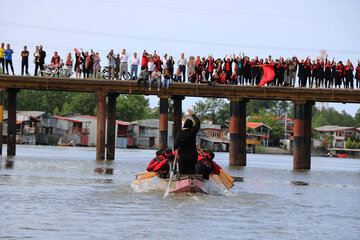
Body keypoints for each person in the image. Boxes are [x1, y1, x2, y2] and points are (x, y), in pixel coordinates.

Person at [174, 109, 200, 174]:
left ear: (184, 125)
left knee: (183, 172)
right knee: (192, 171)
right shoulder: (193, 131)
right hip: (193, 157)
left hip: (183, 157)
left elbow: (176, 145)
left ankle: (183, 181)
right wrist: (193, 114)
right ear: (191, 126)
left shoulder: (180, 133)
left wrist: (177, 148)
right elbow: (198, 123)